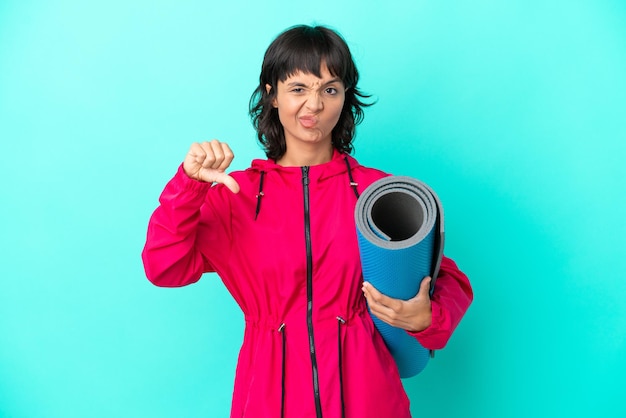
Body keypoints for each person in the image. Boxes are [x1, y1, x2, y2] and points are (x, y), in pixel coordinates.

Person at [142, 24, 473, 418]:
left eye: (329, 89)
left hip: (369, 400)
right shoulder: (235, 195)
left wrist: (428, 317)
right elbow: (164, 267)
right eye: (298, 88)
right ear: (272, 94)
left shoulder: (376, 193)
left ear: (344, 98)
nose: (314, 105)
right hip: (267, 400)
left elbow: (447, 277)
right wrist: (189, 186)